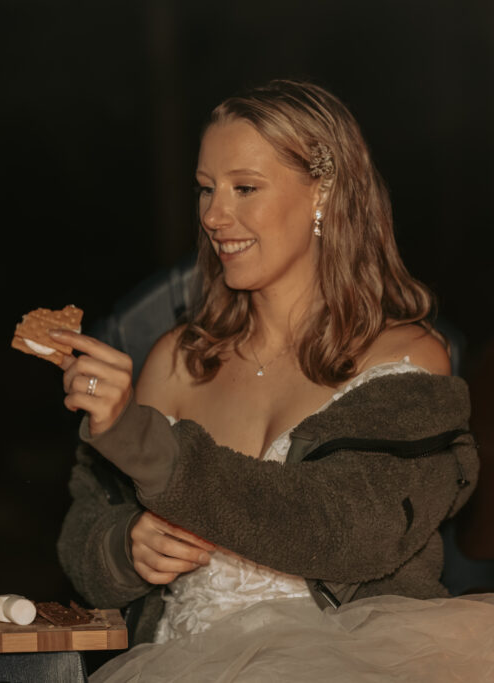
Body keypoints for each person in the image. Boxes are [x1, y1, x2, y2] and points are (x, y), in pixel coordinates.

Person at [55, 80, 494, 680]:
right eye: (206, 189)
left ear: (324, 192)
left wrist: (148, 445)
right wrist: (124, 546)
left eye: (245, 188)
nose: (213, 215)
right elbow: (83, 527)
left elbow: (340, 529)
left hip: (359, 658)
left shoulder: (409, 360)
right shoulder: (176, 359)